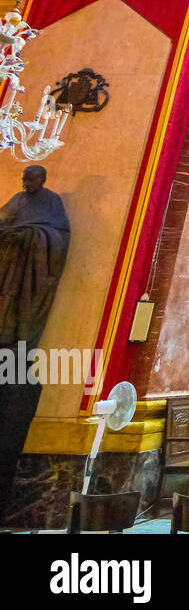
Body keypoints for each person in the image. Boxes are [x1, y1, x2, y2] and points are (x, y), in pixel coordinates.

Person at [0, 165, 71, 519]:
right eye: (23, 179)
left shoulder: (53, 204)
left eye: (30, 179)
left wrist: (30, 237)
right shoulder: (16, 201)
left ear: (41, 180)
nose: (25, 184)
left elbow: (58, 240)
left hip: (28, 285)